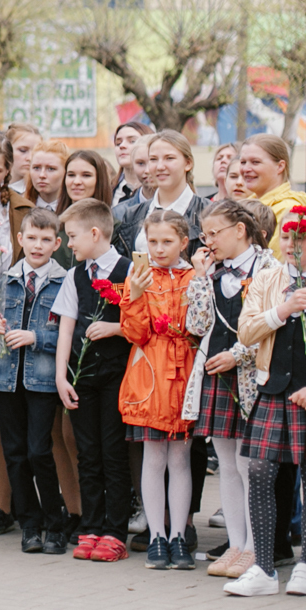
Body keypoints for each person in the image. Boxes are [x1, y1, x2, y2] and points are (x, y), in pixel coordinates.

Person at [225, 204, 306, 597]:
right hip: (273, 390)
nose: (291, 245)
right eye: (286, 237)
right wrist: (283, 309)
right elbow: (246, 332)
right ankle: (264, 569)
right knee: (260, 472)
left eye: (300, 238)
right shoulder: (266, 281)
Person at [187, 198, 267, 577]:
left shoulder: (269, 269)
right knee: (228, 465)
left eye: (214, 233)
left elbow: (270, 325)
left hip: (251, 375)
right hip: (217, 374)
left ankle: (255, 547)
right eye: (205, 235)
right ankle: (235, 544)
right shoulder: (213, 272)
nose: (209, 242)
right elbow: (198, 324)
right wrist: (200, 277)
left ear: (240, 230)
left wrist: (238, 355)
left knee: (249, 464)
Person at [117, 211, 201, 570]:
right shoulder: (138, 277)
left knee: (180, 458)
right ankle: (156, 536)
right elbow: (135, 334)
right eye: (153, 241)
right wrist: (134, 296)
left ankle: (179, 534)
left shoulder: (195, 277)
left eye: (167, 241)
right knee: (153, 458)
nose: (159, 248)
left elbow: (200, 326)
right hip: (150, 376)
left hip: (185, 375)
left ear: (183, 242)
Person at [53, 198, 133, 562]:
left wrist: (115, 327)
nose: (69, 243)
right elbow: (66, 327)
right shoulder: (76, 275)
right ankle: (91, 525)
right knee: (87, 453)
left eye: (73, 236)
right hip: (82, 375)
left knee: (113, 452)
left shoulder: (129, 271)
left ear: (95, 233)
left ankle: (115, 530)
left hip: (117, 375)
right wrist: (61, 375)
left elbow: (143, 323)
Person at [0, 207, 68, 554]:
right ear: (20, 239)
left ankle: (56, 522)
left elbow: (69, 335)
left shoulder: (64, 282)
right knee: (14, 454)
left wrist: (36, 338)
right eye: (31, 238)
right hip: (6, 380)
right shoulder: (3, 280)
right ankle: (29, 524)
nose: (37, 246)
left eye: (45, 240)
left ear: (56, 243)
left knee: (39, 451)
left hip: (42, 382)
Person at [236, 134, 306, 256]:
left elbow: (276, 259)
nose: (246, 169)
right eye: (243, 162)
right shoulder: (243, 206)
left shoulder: (289, 210)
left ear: (280, 166)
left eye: (255, 162)